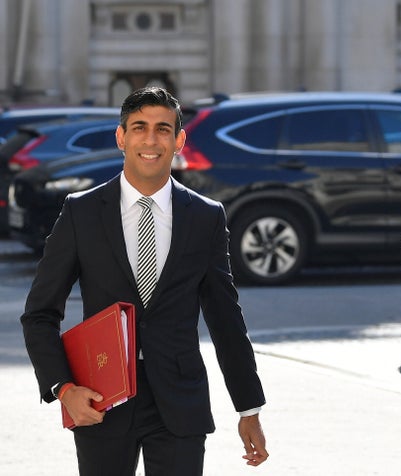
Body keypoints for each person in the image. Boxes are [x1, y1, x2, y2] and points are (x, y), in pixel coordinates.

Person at [21, 87, 268, 475]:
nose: (151, 140)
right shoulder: (81, 213)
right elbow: (38, 314)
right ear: (121, 137)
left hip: (180, 402)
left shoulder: (205, 217)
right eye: (139, 128)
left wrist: (249, 408)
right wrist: (64, 389)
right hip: (101, 398)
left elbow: (225, 319)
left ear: (179, 140)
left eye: (163, 129)